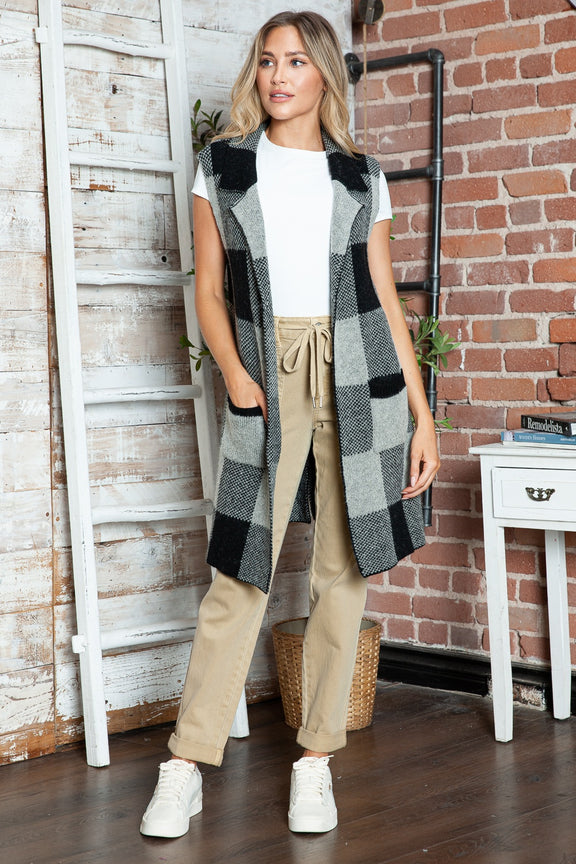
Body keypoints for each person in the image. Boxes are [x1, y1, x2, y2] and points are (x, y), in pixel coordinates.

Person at [140, 10, 440, 839]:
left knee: (343, 570)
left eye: (297, 62)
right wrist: (237, 374)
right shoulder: (224, 167)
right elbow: (207, 289)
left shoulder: (360, 175)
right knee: (242, 568)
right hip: (267, 371)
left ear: (324, 77)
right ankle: (185, 764)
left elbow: (386, 298)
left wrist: (423, 417)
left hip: (362, 373)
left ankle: (316, 761)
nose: (279, 76)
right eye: (268, 61)